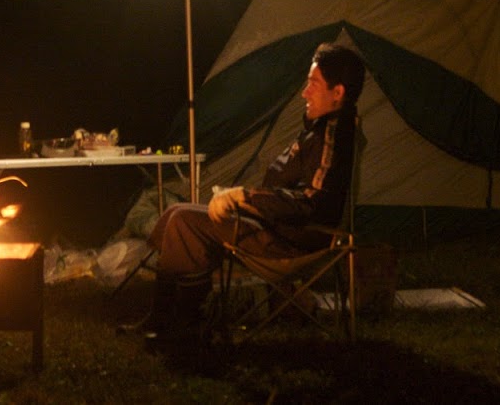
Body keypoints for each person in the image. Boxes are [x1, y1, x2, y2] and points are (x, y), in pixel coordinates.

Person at [140, 42, 365, 349]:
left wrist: (245, 197)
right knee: (175, 213)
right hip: (281, 227)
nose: (304, 92)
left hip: (294, 239)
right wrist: (248, 200)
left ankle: (182, 322)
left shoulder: (333, 135)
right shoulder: (322, 128)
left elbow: (313, 202)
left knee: (184, 221)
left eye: (313, 84)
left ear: (337, 93)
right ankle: (163, 317)